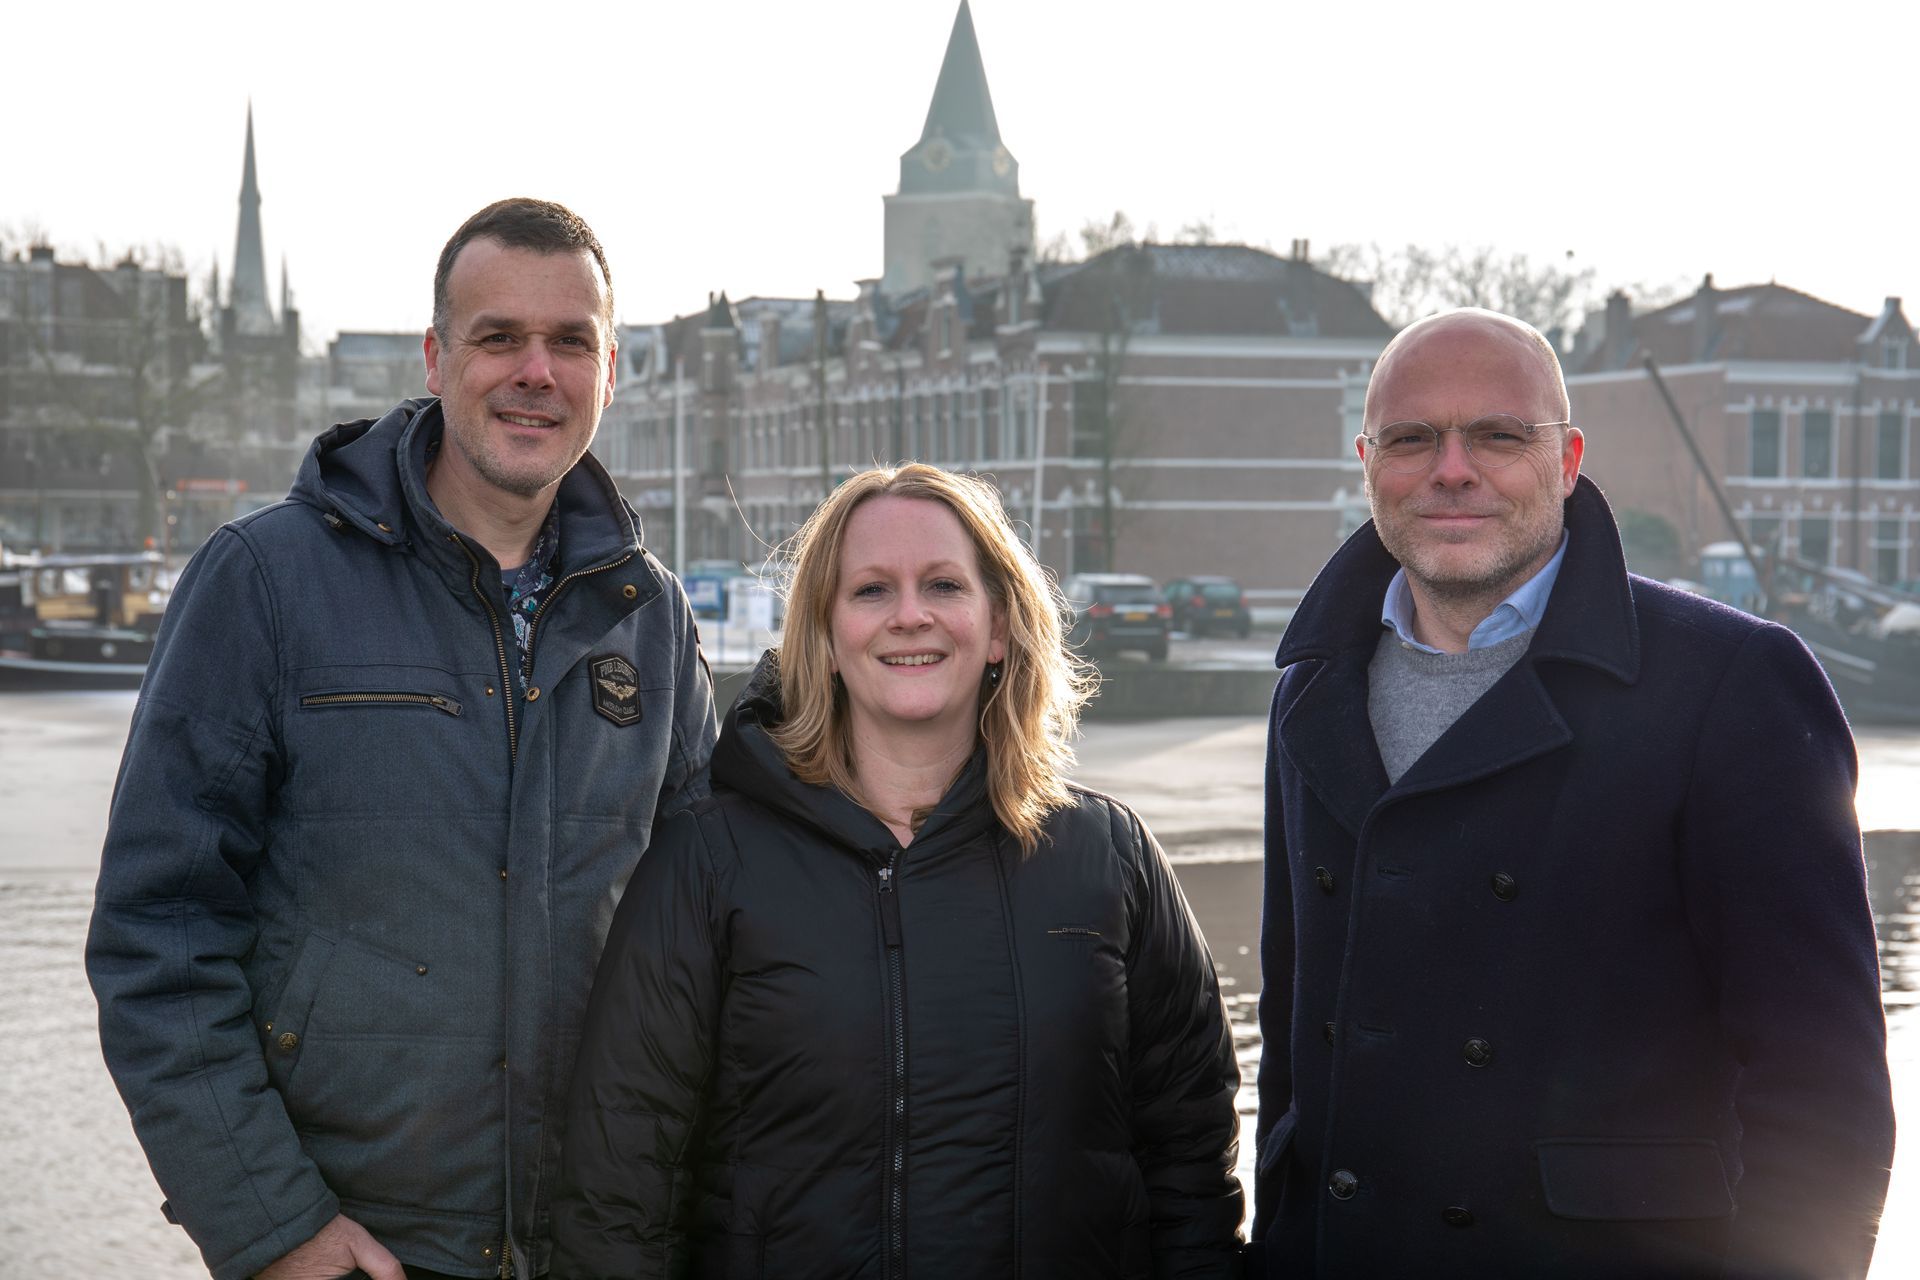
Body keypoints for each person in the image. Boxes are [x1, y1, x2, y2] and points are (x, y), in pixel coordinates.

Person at [86, 198, 717, 1280]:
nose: (537, 370)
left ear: (609, 369)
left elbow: (714, 941)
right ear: (434, 356)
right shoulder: (267, 581)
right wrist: (268, 1223)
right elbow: (161, 932)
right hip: (359, 1248)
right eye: (498, 337)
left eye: (571, 341)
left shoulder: (650, 620)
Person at [1250, 308, 1895, 1278]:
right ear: (1367, 458)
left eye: (1500, 435)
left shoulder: (1730, 684)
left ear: (1568, 458)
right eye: (1412, 437)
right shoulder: (1313, 686)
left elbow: (1823, 1092)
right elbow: (1296, 1037)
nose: (1452, 467)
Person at [550, 464, 1243, 1278]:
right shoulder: (710, 862)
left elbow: (1192, 1161)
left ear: (998, 629)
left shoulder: (1108, 859)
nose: (910, 616)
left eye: (944, 585)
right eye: (871, 590)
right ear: (827, 637)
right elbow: (619, 1184)